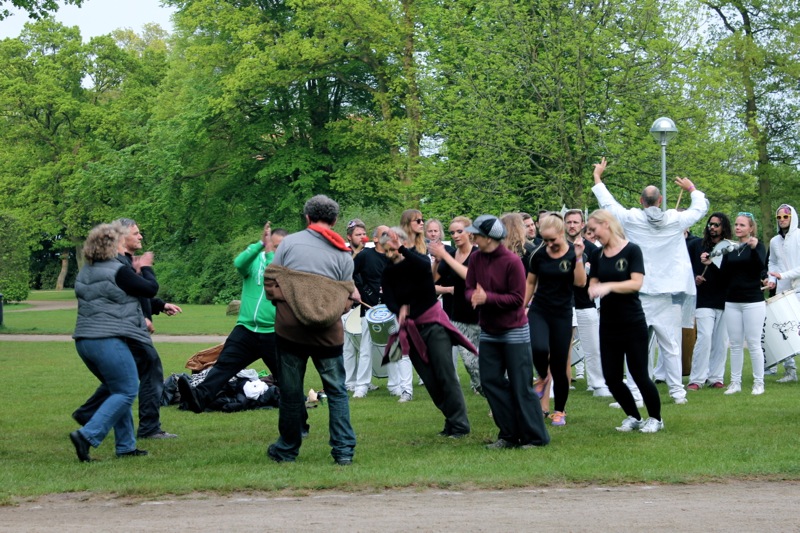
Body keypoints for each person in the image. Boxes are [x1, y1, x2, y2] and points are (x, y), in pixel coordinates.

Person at [592, 157, 708, 405]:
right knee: (671, 344)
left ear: (641, 201)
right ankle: (677, 393)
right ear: (661, 200)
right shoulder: (675, 220)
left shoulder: (632, 218)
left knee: (637, 347)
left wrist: (598, 178)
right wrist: (692, 190)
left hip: (641, 292)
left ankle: (636, 393)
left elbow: (609, 205)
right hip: (667, 292)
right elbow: (700, 209)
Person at [265, 195, 357, 465]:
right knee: (337, 391)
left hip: (290, 331)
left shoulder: (290, 243)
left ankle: (287, 450)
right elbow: (346, 298)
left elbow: (271, 282)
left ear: (307, 217)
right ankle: (343, 453)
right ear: (335, 220)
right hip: (327, 335)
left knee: (292, 394)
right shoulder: (343, 252)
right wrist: (328, 309)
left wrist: (294, 301)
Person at [72, 217, 179, 440]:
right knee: (138, 376)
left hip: (95, 333)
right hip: (118, 331)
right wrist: (147, 271)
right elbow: (141, 290)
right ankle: (145, 428)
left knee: (122, 379)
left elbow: (130, 292)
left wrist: (158, 307)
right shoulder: (117, 265)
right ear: (120, 237)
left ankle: (120, 440)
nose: (140, 236)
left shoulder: (100, 266)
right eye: (136, 233)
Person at [178, 223, 286, 412]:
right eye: (273, 245)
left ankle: (298, 417)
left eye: (279, 247)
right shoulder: (256, 260)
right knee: (224, 366)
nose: (274, 250)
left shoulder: (288, 266)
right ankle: (198, 398)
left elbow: (274, 276)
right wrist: (260, 244)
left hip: (273, 331)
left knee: (285, 378)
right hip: (246, 329)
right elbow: (239, 263)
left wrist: (270, 253)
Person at [464, 215, 550, 449]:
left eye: (476, 234)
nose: (472, 237)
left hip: (514, 332)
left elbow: (517, 299)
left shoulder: (511, 261)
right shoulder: (475, 259)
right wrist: (473, 296)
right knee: (490, 381)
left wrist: (487, 298)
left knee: (521, 386)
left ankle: (535, 437)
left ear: (489, 238)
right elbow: (469, 288)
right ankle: (509, 435)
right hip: (489, 332)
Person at [380, 227, 473, 438]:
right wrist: (398, 309)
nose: (390, 254)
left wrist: (402, 248)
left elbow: (425, 267)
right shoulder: (388, 270)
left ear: (402, 244)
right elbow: (389, 299)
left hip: (434, 326)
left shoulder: (417, 262)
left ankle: (460, 425)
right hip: (411, 330)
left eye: (393, 249)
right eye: (386, 250)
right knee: (430, 381)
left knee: (445, 375)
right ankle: (452, 419)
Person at [586, 210, 663, 433]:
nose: (593, 234)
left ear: (606, 224)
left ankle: (656, 418)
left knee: (639, 374)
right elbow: (591, 284)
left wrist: (609, 286)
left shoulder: (632, 250)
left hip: (632, 321)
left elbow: (636, 283)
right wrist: (593, 286)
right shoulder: (597, 255)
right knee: (611, 377)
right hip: (608, 323)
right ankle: (633, 416)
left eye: (594, 229)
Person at [524, 214, 586, 426]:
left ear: (562, 233)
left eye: (552, 240)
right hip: (540, 309)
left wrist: (578, 257)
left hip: (562, 313)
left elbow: (580, 283)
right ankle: (542, 377)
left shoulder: (573, 253)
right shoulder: (539, 255)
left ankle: (559, 410)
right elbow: (531, 282)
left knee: (560, 366)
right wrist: (522, 307)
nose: (548, 244)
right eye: (545, 240)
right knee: (538, 348)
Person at [705, 213, 767, 395]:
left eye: (742, 225)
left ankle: (758, 383)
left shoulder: (758, 246)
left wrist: (755, 249)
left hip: (753, 301)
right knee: (735, 344)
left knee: (754, 343)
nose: (738, 227)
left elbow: (760, 267)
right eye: (737, 225)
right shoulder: (730, 249)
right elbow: (724, 274)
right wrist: (710, 262)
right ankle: (735, 383)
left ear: (751, 228)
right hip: (732, 301)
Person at [429, 216, 482, 395]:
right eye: (452, 232)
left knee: (489, 361)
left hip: (480, 316)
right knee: (470, 364)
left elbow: (470, 276)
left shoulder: (478, 254)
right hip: (458, 316)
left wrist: (445, 256)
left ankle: (498, 400)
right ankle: (493, 396)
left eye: (460, 231)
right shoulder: (450, 256)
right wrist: (437, 261)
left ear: (470, 232)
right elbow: (432, 282)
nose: (456, 235)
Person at [565, 209, 610, 397]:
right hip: (564, 303)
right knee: (560, 348)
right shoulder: (558, 247)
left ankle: (597, 384)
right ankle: (557, 384)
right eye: (569, 222)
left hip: (586, 304)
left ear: (582, 225)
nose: (572, 225)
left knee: (593, 347)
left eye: (576, 222)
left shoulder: (593, 251)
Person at [686, 213, 731, 390]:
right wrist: (693, 278)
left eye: (716, 225)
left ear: (723, 228)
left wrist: (712, 263)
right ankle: (696, 379)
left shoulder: (728, 248)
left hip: (724, 297)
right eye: (710, 224)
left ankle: (715, 377)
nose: (712, 227)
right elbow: (686, 268)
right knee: (704, 337)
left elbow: (729, 273)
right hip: (703, 297)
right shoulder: (696, 245)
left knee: (720, 340)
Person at [348, 225, 391, 398]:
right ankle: (361, 386)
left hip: (390, 310)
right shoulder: (365, 255)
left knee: (393, 348)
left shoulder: (394, 256)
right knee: (366, 349)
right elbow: (347, 272)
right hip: (369, 309)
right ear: (375, 239)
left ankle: (395, 384)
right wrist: (354, 291)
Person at [767, 204, 799, 382]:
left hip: (799, 288)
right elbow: (772, 263)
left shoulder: (799, 236)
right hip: (782, 290)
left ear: (792, 218)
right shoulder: (774, 241)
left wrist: (783, 275)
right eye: (779, 218)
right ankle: (790, 371)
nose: (782, 220)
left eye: (785, 217)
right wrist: (772, 280)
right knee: (784, 330)